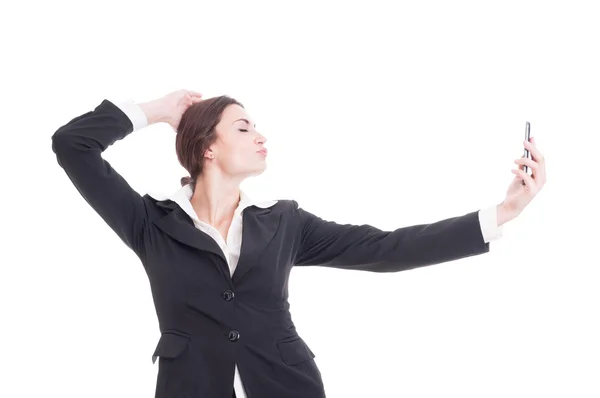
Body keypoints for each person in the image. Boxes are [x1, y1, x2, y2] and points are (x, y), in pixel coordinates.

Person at [51, 89, 547, 398]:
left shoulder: (284, 223)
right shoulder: (150, 223)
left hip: (287, 386)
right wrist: (160, 110)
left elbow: (386, 247)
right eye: (243, 127)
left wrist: (500, 214)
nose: (261, 137)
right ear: (207, 147)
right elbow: (72, 144)